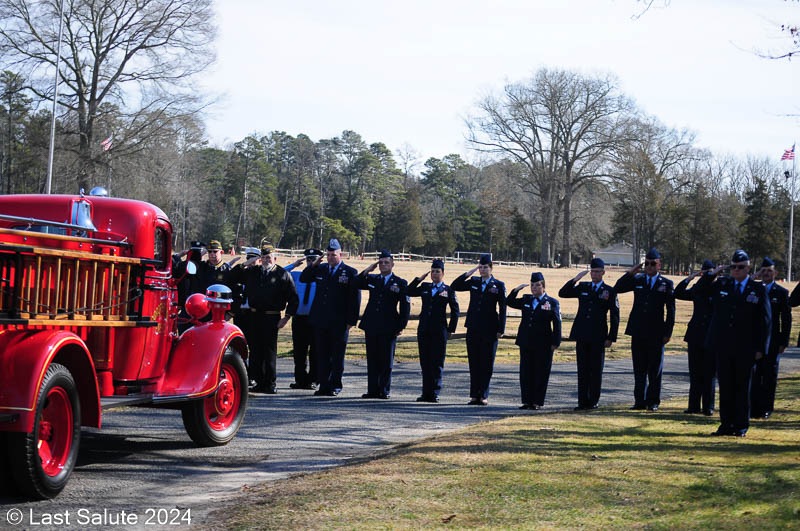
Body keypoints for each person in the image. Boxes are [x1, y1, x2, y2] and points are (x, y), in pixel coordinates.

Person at [695, 250, 771, 437]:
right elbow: (699, 291)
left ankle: (740, 426)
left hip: (746, 347)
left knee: (742, 387)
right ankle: (726, 425)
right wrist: (712, 274)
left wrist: (761, 348)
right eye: (733, 267)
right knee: (726, 387)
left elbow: (765, 321)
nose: (736, 270)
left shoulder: (757, 289)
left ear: (748, 268)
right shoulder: (722, 284)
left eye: (740, 267)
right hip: (723, 345)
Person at [229, 243, 298, 394]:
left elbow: (293, 298)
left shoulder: (282, 274)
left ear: (275, 258)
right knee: (255, 350)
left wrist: (286, 317)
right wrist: (246, 263)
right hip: (254, 316)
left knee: (269, 351)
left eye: (269, 257)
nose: (266, 260)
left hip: (271, 317)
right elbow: (232, 276)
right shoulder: (253, 272)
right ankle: (259, 382)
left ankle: (270, 383)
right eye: (264, 257)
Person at [613, 248, 675, 412]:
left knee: (655, 369)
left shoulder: (666, 284)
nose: (649, 266)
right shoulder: (638, 280)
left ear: (659, 265)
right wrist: (630, 273)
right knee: (639, 368)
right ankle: (639, 400)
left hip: (656, 332)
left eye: (652, 263)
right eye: (646, 263)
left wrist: (668, 332)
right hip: (638, 330)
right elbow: (617, 288)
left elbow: (671, 310)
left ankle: (653, 401)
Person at [300, 238, 361, 397]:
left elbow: (355, 299)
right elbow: (304, 278)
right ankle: (324, 385)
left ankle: (335, 385)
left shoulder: (350, 272)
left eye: (333, 255)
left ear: (340, 254)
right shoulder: (321, 269)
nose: (330, 258)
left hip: (339, 321)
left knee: (337, 356)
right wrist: (314, 264)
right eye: (328, 255)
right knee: (322, 355)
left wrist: (351, 321)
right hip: (321, 320)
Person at [558, 258, 620, 411]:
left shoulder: (609, 291)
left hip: (598, 335)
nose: (594, 274)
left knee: (596, 369)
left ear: (603, 272)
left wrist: (611, 337)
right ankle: (582, 401)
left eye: (597, 272)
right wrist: (576, 279)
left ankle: (593, 401)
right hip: (582, 333)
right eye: (592, 272)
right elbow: (563, 293)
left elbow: (614, 315)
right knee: (583, 369)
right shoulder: (583, 286)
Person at [451, 254, 507, 405]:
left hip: (490, 328)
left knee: (486, 363)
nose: (482, 270)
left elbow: (502, 308)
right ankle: (474, 395)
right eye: (480, 267)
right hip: (473, 327)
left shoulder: (498, 285)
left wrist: (501, 328)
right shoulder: (474, 281)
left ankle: (483, 395)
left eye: (485, 267)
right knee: (474, 362)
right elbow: (455, 285)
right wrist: (469, 272)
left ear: (491, 268)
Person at [355, 250, 411, 399]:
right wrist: (368, 270)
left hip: (389, 325)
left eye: (386, 262)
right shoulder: (373, 279)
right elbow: (356, 282)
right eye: (381, 262)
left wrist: (401, 326)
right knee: (372, 358)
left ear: (392, 264)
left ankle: (384, 390)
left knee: (386, 360)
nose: (383, 265)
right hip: (372, 324)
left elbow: (405, 307)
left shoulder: (400, 283)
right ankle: (372, 390)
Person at [406, 259, 460, 403]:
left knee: (437, 362)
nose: (435, 274)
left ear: (443, 273)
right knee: (425, 362)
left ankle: (435, 392)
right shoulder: (425, 287)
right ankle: (426, 393)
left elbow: (455, 310)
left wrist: (451, 329)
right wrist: (418, 280)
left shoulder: (448, 290)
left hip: (439, 330)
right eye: (433, 271)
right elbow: (409, 291)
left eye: (437, 271)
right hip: (424, 329)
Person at [506, 272, 562, 410]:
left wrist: (556, 342)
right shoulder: (527, 300)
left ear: (543, 286)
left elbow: (557, 323)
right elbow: (509, 302)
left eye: (537, 285)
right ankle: (527, 401)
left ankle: (537, 401)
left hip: (543, 343)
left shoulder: (551, 302)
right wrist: (516, 290)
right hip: (526, 341)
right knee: (526, 372)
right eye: (532, 285)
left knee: (540, 372)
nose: (534, 288)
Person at [674, 259, 717, 416]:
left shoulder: (719, 288)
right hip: (695, 335)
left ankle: (708, 406)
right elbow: (678, 293)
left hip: (712, 335)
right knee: (695, 372)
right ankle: (693, 406)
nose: (708, 276)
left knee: (709, 373)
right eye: (705, 273)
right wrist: (689, 278)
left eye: (710, 273)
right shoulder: (697, 288)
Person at [751, 257, 790, 420]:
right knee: (754, 375)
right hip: (754, 340)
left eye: (769, 271)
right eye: (764, 270)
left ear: (775, 273)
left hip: (773, 341)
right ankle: (753, 408)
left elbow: (786, 319)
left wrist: (784, 341)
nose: (766, 273)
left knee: (769, 375)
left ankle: (766, 408)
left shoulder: (781, 292)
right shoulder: (753, 289)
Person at [284, 248, 323, 390]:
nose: (310, 262)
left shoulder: (322, 276)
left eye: (314, 259)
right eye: (308, 259)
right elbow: (280, 273)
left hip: (316, 319)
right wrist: (294, 265)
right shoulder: (297, 275)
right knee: (299, 351)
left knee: (315, 351)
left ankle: (314, 379)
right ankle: (300, 380)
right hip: (299, 318)